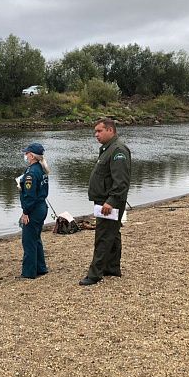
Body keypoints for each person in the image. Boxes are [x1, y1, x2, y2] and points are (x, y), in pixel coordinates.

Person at [79, 118, 131, 286]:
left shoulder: (118, 150)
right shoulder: (108, 149)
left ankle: (94, 274)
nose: (96, 135)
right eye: (95, 131)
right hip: (105, 200)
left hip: (109, 202)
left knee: (103, 236)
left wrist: (111, 201)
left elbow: (121, 181)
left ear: (110, 130)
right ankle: (112, 267)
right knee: (113, 234)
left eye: (99, 131)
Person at [18, 142, 50, 279]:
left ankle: (29, 273)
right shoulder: (41, 169)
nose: (25, 155)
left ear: (31, 155)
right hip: (41, 207)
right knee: (36, 238)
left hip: (34, 209)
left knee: (29, 241)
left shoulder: (32, 172)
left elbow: (30, 196)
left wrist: (25, 212)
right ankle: (41, 268)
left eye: (26, 153)